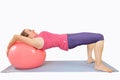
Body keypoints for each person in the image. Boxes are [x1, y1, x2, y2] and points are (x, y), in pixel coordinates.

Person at [7, 28, 113, 73]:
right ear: (27, 36)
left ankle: (90, 58)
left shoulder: (38, 37)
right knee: (99, 36)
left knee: (92, 37)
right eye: (30, 31)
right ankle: (98, 64)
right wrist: (8, 48)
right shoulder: (36, 42)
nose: (33, 30)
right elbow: (16, 36)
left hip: (67, 37)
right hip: (67, 42)